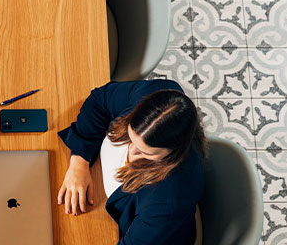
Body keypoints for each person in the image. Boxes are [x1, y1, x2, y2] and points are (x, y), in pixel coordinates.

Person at [56, 80, 206, 244]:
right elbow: (99, 101)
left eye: (145, 152)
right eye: (131, 137)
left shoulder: (167, 204)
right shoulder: (158, 93)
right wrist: (79, 162)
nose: (131, 151)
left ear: (173, 152)